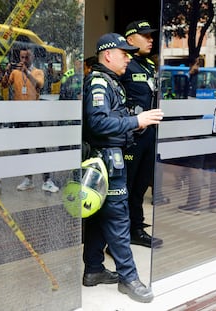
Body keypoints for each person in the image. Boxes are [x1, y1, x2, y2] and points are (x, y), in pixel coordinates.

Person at [82, 32, 164, 303]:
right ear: (108, 55)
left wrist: (131, 118)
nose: (128, 58)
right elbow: (98, 124)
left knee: (97, 215)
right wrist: (136, 121)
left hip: (109, 160)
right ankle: (129, 278)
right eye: (124, 53)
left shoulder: (110, 81)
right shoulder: (99, 83)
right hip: (106, 160)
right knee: (119, 219)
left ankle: (93, 269)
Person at [119, 20, 163, 248]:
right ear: (130, 40)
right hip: (130, 137)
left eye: (151, 36)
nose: (151, 39)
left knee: (141, 186)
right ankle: (121, 232)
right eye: (145, 36)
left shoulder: (148, 65)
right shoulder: (124, 64)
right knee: (125, 187)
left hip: (149, 135)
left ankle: (136, 227)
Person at [1, 48, 59, 193]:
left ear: (32, 57)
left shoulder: (38, 72)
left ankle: (47, 180)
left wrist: (26, 71)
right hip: (21, 116)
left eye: (26, 57)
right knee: (24, 149)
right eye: (21, 57)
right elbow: (4, 85)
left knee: (40, 148)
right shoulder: (15, 73)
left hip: (34, 115)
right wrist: (8, 71)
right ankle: (28, 179)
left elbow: (39, 85)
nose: (23, 60)